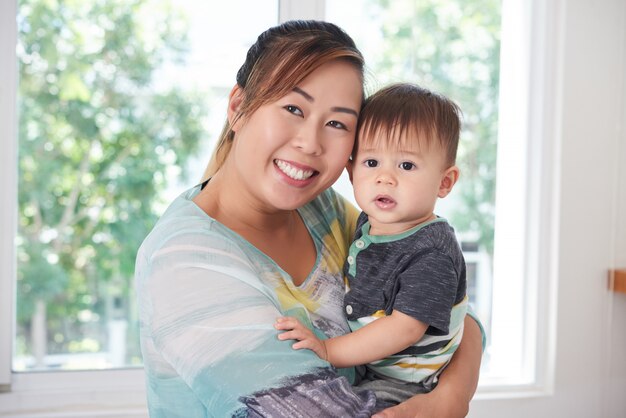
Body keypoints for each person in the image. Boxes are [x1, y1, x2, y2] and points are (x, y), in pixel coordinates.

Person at [135, 20, 483, 418]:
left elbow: (448, 308)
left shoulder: (321, 210)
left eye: (337, 123)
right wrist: (446, 401)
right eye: (293, 108)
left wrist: (449, 398)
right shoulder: (185, 264)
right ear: (238, 108)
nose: (310, 143)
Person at [275, 83, 470, 405]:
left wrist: (328, 350)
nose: (385, 178)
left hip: (408, 380)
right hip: (375, 365)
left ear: (444, 182)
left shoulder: (431, 252)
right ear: (351, 171)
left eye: (406, 166)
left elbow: (404, 329)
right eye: (371, 163)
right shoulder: (370, 221)